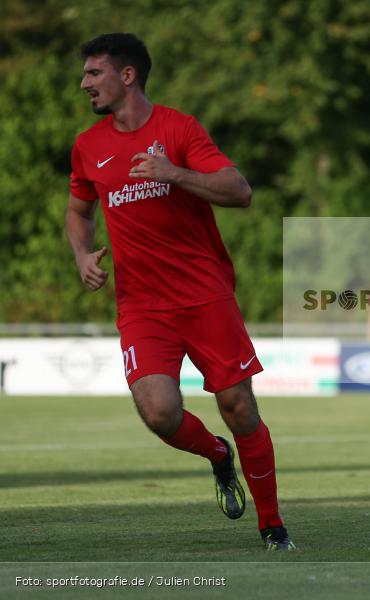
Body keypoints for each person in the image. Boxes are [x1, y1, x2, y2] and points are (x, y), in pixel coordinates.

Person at [65, 33, 294, 550]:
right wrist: (81, 254)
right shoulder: (88, 146)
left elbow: (239, 190)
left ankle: (273, 526)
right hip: (142, 305)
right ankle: (218, 455)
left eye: (94, 73)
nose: (84, 83)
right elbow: (78, 210)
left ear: (127, 75)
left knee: (239, 407)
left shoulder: (178, 128)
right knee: (159, 412)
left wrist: (174, 173)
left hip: (205, 294)